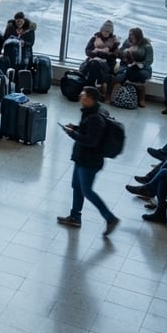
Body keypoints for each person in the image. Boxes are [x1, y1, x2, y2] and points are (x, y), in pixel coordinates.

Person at [57, 87, 120, 236]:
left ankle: (110, 218)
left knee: (87, 191)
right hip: (82, 158)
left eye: (83, 95)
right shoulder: (93, 113)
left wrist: (73, 134)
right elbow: (89, 131)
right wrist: (77, 128)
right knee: (77, 187)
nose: (80, 97)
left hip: (89, 161)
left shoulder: (95, 118)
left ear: (91, 99)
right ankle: (75, 217)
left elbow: (91, 141)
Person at [113, 27, 153, 107]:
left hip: (142, 68)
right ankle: (116, 97)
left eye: (133, 36)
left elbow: (149, 60)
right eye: (130, 35)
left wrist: (140, 64)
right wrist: (124, 53)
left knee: (139, 75)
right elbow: (119, 54)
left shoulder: (146, 45)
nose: (131, 38)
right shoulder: (127, 42)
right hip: (126, 66)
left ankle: (141, 96)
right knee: (119, 77)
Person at [82, 20, 121, 95]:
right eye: (104, 31)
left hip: (107, 64)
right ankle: (92, 88)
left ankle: (89, 88)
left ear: (111, 33)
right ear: (101, 30)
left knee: (94, 65)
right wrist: (101, 53)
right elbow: (87, 51)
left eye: (108, 32)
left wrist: (98, 52)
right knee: (94, 64)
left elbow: (113, 56)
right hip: (93, 60)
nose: (106, 33)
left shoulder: (114, 42)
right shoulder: (94, 38)